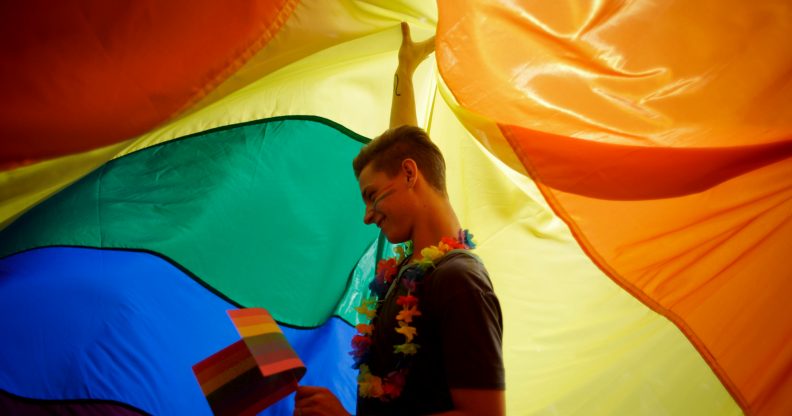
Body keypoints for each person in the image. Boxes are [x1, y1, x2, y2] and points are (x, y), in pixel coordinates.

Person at [294, 22, 505, 416]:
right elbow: (403, 140)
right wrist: (404, 73)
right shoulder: (412, 270)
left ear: (410, 175)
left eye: (372, 196)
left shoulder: (459, 280)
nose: (367, 216)